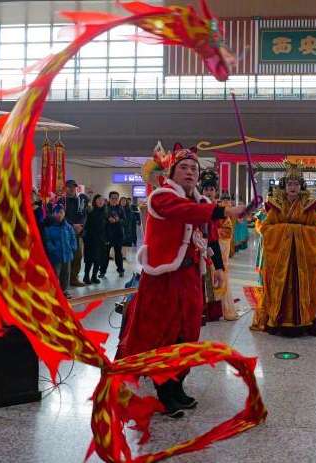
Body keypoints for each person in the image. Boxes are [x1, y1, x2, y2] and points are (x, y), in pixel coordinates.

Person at [117, 144, 246, 418]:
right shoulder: (161, 197)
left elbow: (209, 236)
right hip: (162, 277)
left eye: (194, 169)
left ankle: (177, 386)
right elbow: (187, 212)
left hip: (190, 276)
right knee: (164, 334)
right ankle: (165, 393)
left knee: (188, 333)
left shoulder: (200, 202)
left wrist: (217, 266)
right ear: (172, 172)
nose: (190, 172)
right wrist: (225, 210)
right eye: (184, 167)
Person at [251, 161, 316, 336]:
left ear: (301, 186)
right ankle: (278, 320)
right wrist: (289, 230)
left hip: (303, 260)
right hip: (280, 260)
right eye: (289, 184)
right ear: (284, 186)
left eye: (296, 184)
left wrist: (294, 231)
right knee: (279, 287)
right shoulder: (275, 206)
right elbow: (266, 229)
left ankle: (304, 320)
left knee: (304, 287)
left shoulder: (308, 206)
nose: (293, 187)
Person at [198, 169, 229, 322]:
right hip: (199, 249)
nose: (208, 192)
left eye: (211, 189)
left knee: (213, 279)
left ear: (216, 192)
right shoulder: (196, 206)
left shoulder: (220, 209)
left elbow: (226, 229)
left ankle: (211, 311)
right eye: (206, 189)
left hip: (215, 248)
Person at [43, 204, 78, 298]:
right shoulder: (49, 227)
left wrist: (72, 248)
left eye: (61, 212)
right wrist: (53, 250)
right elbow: (48, 241)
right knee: (55, 275)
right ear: (53, 213)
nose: (59, 214)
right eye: (57, 212)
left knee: (66, 274)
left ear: (64, 214)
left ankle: (64, 291)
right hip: (55, 256)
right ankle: (53, 292)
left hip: (67, 255)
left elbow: (73, 238)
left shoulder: (68, 227)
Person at [64, 179, 87, 288]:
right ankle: (65, 279)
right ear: (65, 188)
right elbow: (61, 215)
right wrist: (73, 225)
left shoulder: (80, 200)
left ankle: (74, 278)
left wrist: (80, 226)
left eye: (73, 187)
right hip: (65, 232)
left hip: (78, 233)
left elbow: (83, 214)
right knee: (67, 257)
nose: (71, 189)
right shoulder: (62, 201)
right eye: (69, 186)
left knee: (78, 256)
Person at [83, 194, 107, 285]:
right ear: (95, 201)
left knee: (98, 259)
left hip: (101, 240)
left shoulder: (105, 213)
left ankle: (94, 276)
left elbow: (106, 227)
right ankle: (86, 276)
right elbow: (86, 226)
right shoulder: (90, 211)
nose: (100, 201)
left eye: (102, 200)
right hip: (91, 239)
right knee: (89, 259)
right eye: (98, 199)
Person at [102, 191, 125, 278]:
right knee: (105, 254)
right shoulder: (105, 208)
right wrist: (108, 220)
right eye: (112, 198)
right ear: (109, 199)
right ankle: (102, 272)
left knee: (118, 253)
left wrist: (118, 220)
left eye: (116, 198)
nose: (114, 200)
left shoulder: (120, 208)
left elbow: (124, 220)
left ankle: (121, 270)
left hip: (118, 235)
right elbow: (101, 220)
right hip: (107, 235)